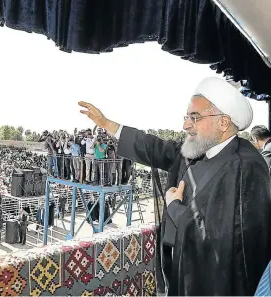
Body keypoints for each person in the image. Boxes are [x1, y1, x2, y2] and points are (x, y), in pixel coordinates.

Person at [79, 77, 271, 296]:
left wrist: (175, 207)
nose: (185, 125)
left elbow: (224, 240)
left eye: (194, 117)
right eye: (186, 116)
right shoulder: (198, 148)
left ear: (223, 122)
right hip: (182, 267)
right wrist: (107, 124)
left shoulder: (247, 167)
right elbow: (155, 148)